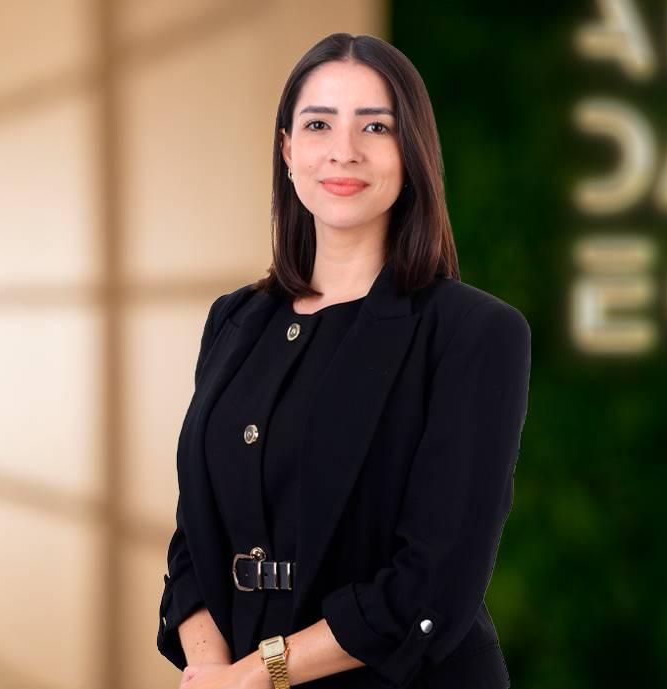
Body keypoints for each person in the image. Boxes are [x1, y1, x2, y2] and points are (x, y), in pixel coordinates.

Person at [155, 32, 531, 689]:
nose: (343, 150)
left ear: (410, 151)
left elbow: (432, 584)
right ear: (286, 148)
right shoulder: (232, 320)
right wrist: (212, 668)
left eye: (375, 126)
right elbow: (195, 536)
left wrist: (262, 672)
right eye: (318, 123)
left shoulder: (474, 332)